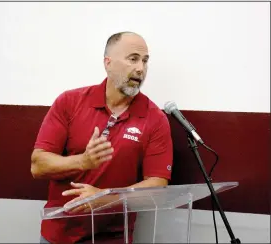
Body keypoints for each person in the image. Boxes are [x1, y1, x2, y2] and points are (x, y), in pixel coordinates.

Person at [31, 31, 173, 244]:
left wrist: (104, 199)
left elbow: (157, 184)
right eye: (133, 59)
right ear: (108, 63)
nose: (140, 69)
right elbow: (38, 166)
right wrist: (82, 161)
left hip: (114, 238)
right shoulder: (70, 102)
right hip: (59, 235)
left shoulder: (155, 118)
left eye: (145, 61)